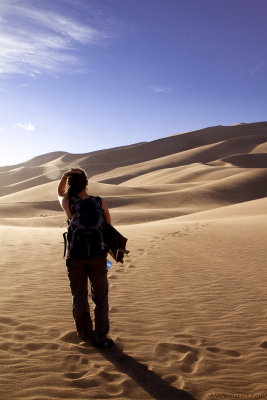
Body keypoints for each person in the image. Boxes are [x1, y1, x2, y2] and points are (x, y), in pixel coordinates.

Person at [58, 167, 113, 349]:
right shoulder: (99, 201)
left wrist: (65, 176)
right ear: (87, 183)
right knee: (101, 298)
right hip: (98, 257)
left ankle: (84, 333)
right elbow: (108, 224)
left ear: (70, 184)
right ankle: (101, 338)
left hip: (75, 258)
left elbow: (59, 192)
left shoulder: (68, 202)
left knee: (79, 296)